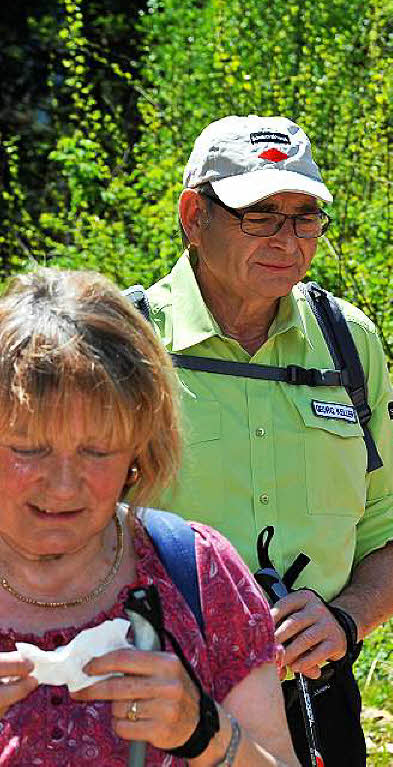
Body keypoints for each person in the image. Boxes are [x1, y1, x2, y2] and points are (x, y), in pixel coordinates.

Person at [141, 115, 393, 764]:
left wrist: (346, 617)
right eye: (261, 214)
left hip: (315, 704)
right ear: (195, 216)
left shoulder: (348, 341)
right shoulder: (127, 344)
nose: (288, 239)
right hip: (156, 708)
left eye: (305, 216)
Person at [0, 268, 298, 766]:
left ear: (139, 451)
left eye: (97, 451)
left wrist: (205, 733)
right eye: (29, 449)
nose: (63, 483)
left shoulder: (197, 572)